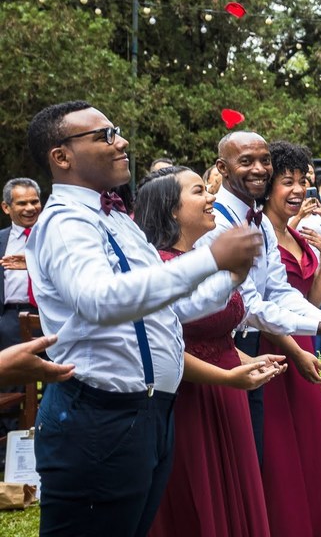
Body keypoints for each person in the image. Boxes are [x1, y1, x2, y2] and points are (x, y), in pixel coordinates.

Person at [24, 101, 260, 537]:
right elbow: (100, 301)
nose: (122, 142)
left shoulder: (118, 220)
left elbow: (165, 309)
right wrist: (209, 256)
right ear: (61, 156)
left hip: (150, 413)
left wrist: (229, 276)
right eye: (104, 136)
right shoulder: (65, 222)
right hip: (99, 416)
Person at [177, 131, 321, 463]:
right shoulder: (215, 221)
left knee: (254, 454)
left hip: (254, 347)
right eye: (246, 161)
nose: (259, 168)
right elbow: (249, 303)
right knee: (232, 458)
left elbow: (278, 290)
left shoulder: (261, 223)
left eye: (264, 160)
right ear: (222, 168)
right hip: (223, 351)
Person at [135, 167, 284, 537]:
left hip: (229, 393)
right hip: (190, 398)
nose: (211, 197)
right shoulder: (161, 269)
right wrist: (228, 377)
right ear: (171, 209)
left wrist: (248, 360)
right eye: (199, 191)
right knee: (198, 499)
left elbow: (216, 330)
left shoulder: (204, 257)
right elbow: (164, 345)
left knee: (234, 494)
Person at [260, 141, 321, 537]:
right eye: (287, 181)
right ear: (267, 186)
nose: (297, 190)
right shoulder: (260, 231)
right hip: (276, 350)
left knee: (313, 449)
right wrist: (295, 349)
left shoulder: (297, 236)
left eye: (302, 181)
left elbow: (309, 299)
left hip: (305, 346)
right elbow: (259, 306)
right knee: (281, 457)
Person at [1, 178, 41, 357]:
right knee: (14, 382)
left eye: (34, 202)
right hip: (10, 322)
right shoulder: (1, 241)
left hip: (50, 318)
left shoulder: (55, 237)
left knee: (56, 379)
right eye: (22, 203)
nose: (30, 208)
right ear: (6, 207)